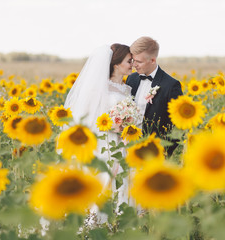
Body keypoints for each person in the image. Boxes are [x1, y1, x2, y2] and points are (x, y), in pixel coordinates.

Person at [63, 44, 134, 220]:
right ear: (116, 64)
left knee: (123, 181)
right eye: (129, 61)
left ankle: (120, 222)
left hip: (123, 143)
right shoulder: (98, 88)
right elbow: (86, 118)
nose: (132, 64)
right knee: (103, 180)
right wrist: (113, 126)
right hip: (104, 143)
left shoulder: (126, 88)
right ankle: (94, 224)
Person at [126, 37, 183, 156]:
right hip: (129, 150)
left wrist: (163, 152)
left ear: (152, 60)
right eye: (133, 60)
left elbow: (179, 126)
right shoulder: (131, 79)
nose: (134, 65)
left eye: (139, 62)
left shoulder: (171, 85)